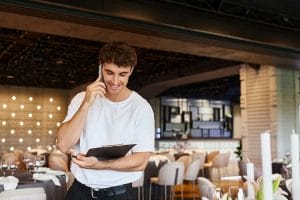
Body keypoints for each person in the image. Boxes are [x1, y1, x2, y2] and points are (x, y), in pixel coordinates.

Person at [57, 41, 155, 200]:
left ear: (131, 71)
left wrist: (100, 165)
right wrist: (86, 104)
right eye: (109, 72)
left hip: (120, 194)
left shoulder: (141, 108)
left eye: (122, 74)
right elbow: (63, 145)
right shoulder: (81, 99)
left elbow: (140, 162)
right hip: (79, 191)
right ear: (100, 68)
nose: (115, 81)